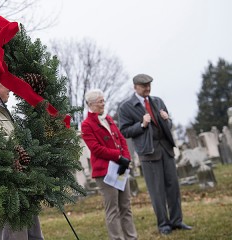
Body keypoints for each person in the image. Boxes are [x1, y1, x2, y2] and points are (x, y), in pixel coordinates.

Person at [117, 74, 192, 235]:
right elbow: (124, 131)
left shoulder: (157, 101)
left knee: (173, 187)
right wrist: (142, 125)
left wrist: (167, 119)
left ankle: (177, 221)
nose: (148, 88)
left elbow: (168, 124)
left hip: (166, 149)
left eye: (149, 85)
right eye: (144, 86)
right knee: (157, 191)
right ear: (135, 87)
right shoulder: (126, 107)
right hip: (148, 153)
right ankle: (163, 224)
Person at [0, 78, 44, 240]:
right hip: (7, 187)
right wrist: (17, 148)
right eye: (7, 85)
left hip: (22, 183)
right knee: (15, 235)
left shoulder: (4, 112)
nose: (11, 90)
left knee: (34, 235)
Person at [81, 89, 138, 240]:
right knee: (113, 209)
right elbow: (96, 149)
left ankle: (131, 237)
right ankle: (117, 238)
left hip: (120, 168)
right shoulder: (87, 125)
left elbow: (121, 140)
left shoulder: (109, 119)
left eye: (103, 101)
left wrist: (126, 159)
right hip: (105, 172)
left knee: (126, 207)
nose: (103, 104)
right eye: (100, 101)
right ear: (91, 104)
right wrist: (118, 157)